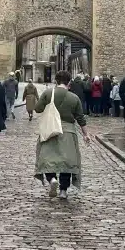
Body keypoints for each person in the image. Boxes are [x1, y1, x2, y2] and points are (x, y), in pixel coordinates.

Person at [34, 71, 89, 200]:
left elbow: (37, 108)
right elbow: (80, 118)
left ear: (56, 81)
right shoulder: (74, 98)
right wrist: (86, 135)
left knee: (48, 159)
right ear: (69, 82)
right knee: (67, 162)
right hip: (68, 132)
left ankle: (52, 179)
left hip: (50, 130)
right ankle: (63, 190)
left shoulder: (48, 93)